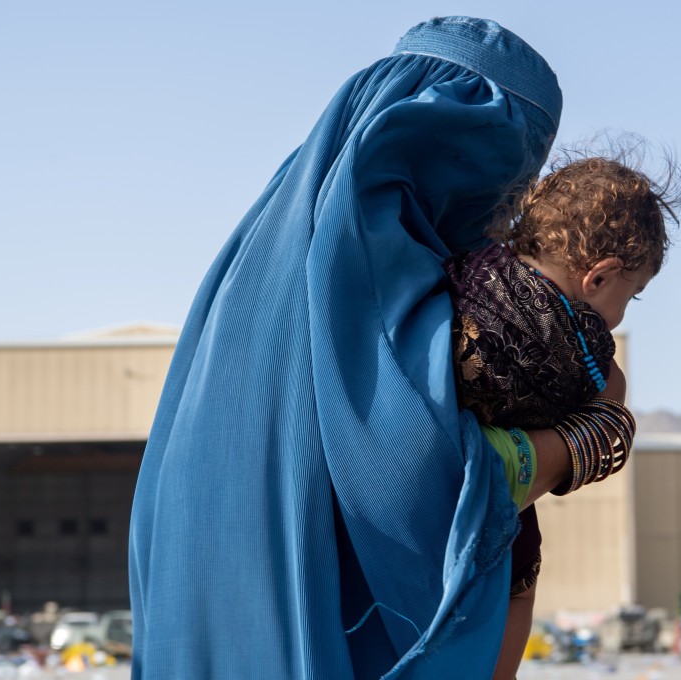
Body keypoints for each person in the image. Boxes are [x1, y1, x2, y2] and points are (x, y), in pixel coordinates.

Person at [128, 16, 572, 679]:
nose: (502, 220)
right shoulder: (374, 279)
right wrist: (587, 441)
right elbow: (423, 487)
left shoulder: (244, 277)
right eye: (502, 184)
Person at [445, 149, 681, 679]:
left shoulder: (468, 269)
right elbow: (603, 394)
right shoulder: (581, 342)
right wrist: (612, 403)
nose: (622, 312)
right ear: (600, 277)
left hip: (440, 439)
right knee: (521, 576)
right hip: (496, 484)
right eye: (634, 293)